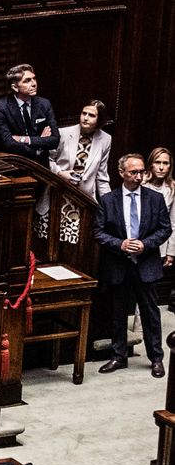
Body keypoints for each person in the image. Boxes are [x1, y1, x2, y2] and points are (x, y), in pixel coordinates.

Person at [95, 154, 171, 376]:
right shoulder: (108, 200)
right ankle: (119, 356)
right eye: (133, 172)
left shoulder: (154, 199)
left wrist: (145, 245)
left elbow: (165, 229)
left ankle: (156, 358)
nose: (139, 176)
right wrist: (120, 244)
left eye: (141, 172)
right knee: (118, 312)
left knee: (150, 312)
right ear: (122, 173)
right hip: (119, 264)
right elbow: (98, 232)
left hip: (145, 264)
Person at [40, 99, 112, 241]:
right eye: (84, 113)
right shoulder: (63, 133)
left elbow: (101, 176)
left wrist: (109, 205)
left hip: (81, 200)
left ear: (99, 120)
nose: (85, 118)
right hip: (57, 194)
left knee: (74, 244)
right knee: (49, 240)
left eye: (91, 115)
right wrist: (60, 173)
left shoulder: (105, 139)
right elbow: (47, 160)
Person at [0, 64, 59, 167]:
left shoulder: (44, 104)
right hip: (17, 165)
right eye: (27, 81)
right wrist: (37, 149)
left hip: (42, 166)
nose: (34, 84)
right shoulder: (1, 107)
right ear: (15, 87)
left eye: (34, 79)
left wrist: (23, 139)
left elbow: (54, 140)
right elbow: (8, 143)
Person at [145, 147, 175, 307]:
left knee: (150, 288)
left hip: (160, 245)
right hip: (138, 242)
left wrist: (170, 252)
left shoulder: (172, 188)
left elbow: (173, 222)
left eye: (166, 163)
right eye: (158, 162)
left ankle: (142, 327)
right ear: (151, 164)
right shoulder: (141, 183)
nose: (162, 167)